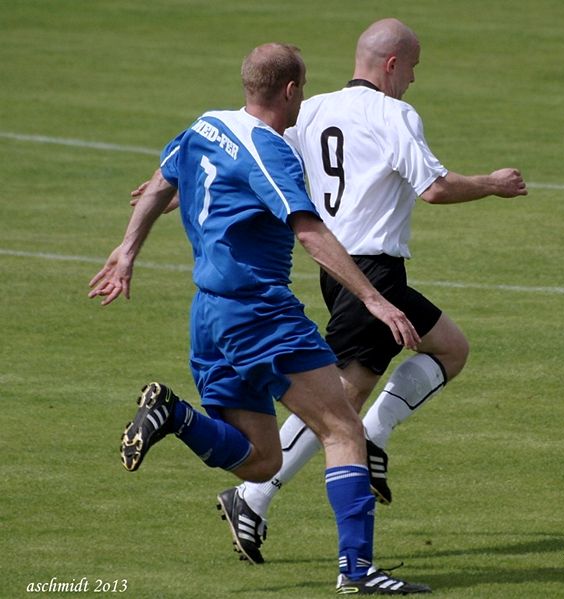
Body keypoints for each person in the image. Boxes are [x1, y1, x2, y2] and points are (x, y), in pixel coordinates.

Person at [89, 42, 431, 595]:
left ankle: (173, 415)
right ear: (291, 90)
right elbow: (311, 232)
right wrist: (374, 299)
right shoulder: (268, 150)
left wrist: (127, 251)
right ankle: (357, 570)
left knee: (260, 461)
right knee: (343, 428)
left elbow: (158, 183)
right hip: (258, 313)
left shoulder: (206, 125)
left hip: (209, 316)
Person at [218, 18, 528, 565]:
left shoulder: (312, 110)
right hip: (372, 273)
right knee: (337, 403)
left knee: (450, 348)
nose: (412, 80)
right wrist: (492, 184)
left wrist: (182, 186)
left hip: (338, 267)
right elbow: (433, 189)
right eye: (411, 67)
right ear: (390, 64)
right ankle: (252, 494)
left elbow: (257, 151)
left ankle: (374, 439)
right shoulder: (393, 113)